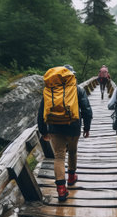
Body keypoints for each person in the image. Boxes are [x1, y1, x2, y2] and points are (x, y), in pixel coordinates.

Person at [37, 64, 93, 201]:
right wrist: (87, 127)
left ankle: (61, 190)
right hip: (73, 127)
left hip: (54, 128)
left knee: (59, 157)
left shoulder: (49, 90)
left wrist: (43, 130)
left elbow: (41, 112)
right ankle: (72, 177)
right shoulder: (78, 90)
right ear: (71, 76)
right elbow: (87, 110)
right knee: (72, 152)